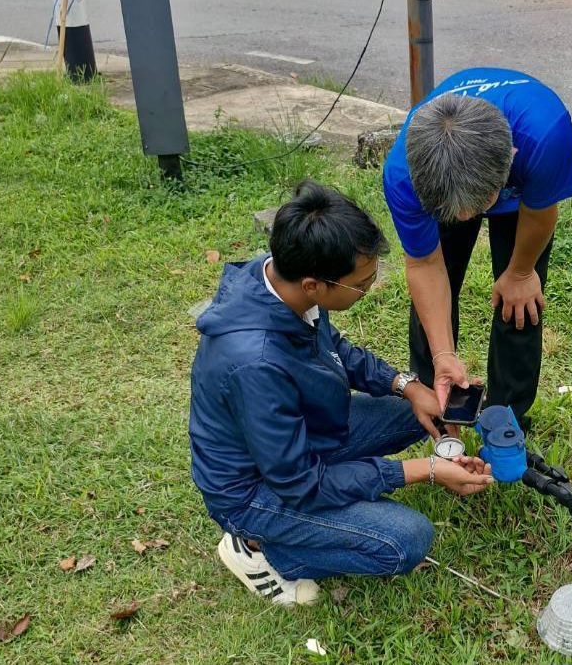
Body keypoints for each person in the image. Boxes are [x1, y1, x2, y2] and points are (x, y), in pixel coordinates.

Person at [188, 181, 493, 606]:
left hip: (297, 439)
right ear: (314, 285)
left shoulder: (282, 278)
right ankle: (259, 548)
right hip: (256, 490)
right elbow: (301, 483)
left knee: (422, 408)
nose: (370, 288)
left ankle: (334, 505)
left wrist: (407, 386)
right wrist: (423, 469)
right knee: (407, 540)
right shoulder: (254, 363)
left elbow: (337, 351)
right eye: (362, 283)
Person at [382, 67, 572, 432]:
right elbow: (425, 264)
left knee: (521, 300)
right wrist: (443, 354)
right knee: (435, 298)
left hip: (516, 183)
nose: (464, 217)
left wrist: (521, 271)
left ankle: (507, 416)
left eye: (476, 206)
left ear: (511, 156)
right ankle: (436, 401)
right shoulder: (404, 173)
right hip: (447, 180)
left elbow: (540, 211)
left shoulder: (543, 135)